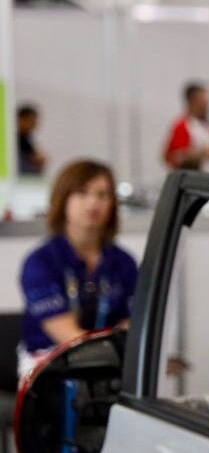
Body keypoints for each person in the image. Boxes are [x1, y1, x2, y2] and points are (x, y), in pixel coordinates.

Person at [18, 160, 137, 378]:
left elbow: (131, 326)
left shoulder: (124, 262)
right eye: (82, 193)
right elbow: (67, 335)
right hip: (49, 366)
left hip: (110, 366)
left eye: (102, 195)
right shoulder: (40, 261)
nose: (93, 203)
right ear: (63, 200)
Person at [163, 81, 209, 172]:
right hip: (196, 180)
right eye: (203, 100)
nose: (207, 105)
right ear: (191, 101)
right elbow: (174, 158)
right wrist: (205, 152)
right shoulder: (183, 125)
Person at [16, 104, 46, 176]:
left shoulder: (26, 140)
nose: (34, 124)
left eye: (34, 121)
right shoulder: (15, 140)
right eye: (30, 120)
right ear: (20, 119)